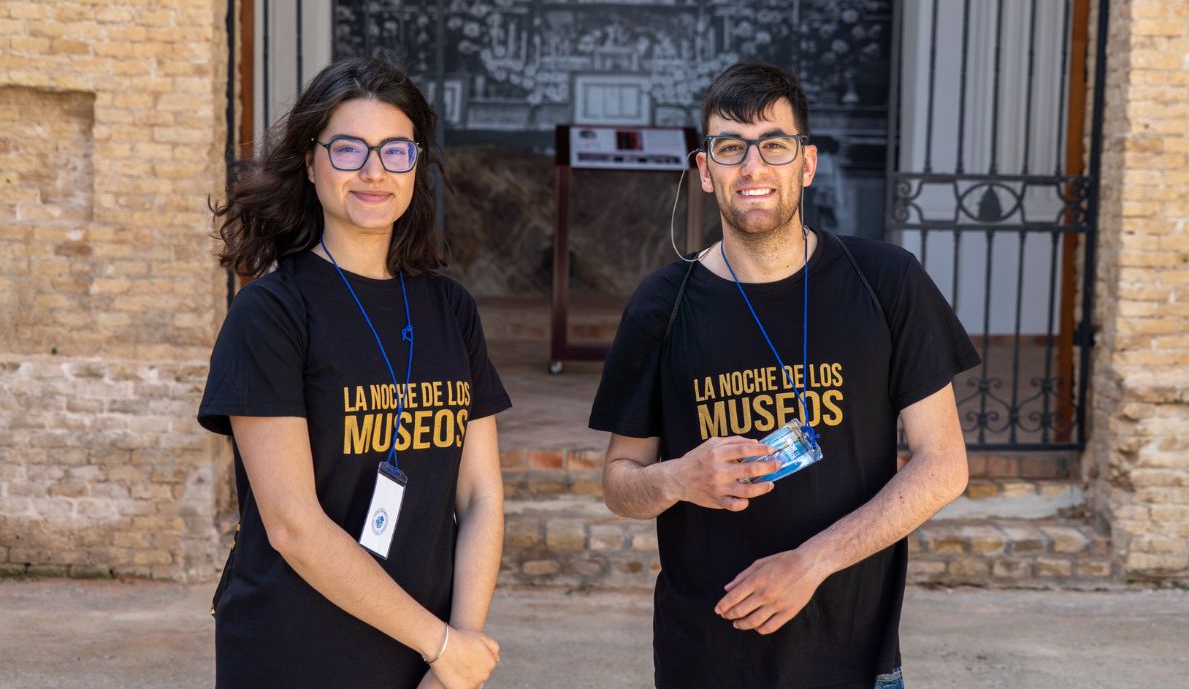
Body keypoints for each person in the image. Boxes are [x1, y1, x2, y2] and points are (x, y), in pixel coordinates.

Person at [589, 61, 979, 688]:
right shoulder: (661, 306)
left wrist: (810, 563)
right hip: (707, 660)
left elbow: (944, 465)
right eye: (729, 147)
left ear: (806, 162)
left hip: (855, 659)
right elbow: (618, 484)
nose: (752, 167)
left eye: (773, 144)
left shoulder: (886, 281)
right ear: (704, 170)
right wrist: (678, 477)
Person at [198, 56, 508, 689]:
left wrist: (458, 654)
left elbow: (480, 496)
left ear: (416, 166)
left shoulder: (450, 309)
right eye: (347, 150)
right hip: (295, 652)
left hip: (427, 662)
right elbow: (292, 526)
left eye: (395, 151)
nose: (373, 172)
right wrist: (442, 642)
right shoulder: (271, 312)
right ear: (311, 164)